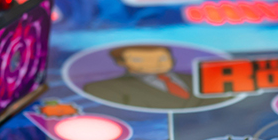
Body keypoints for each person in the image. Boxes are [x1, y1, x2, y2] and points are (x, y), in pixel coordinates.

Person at [83, 45, 229, 110]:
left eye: (162, 58)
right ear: (121, 62)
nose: (155, 64)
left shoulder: (198, 79)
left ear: (171, 57)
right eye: (139, 60)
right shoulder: (104, 88)